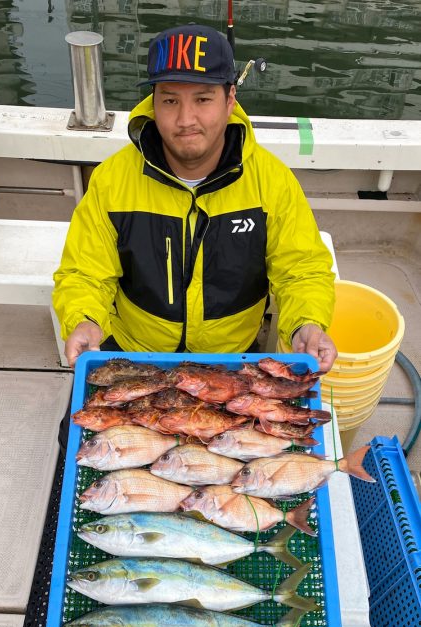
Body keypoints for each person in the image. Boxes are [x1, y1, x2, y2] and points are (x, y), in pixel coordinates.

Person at [53, 23, 337, 373]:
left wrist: (306, 322)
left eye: (203, 99)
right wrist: (84, 319)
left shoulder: (272, 182)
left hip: (232, 362)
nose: (185, 119)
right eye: (170, 100)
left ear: (230, 100)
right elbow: (85, 272)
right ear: (153, 103)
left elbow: (302, 269)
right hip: (132, 356)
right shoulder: (111, 180)